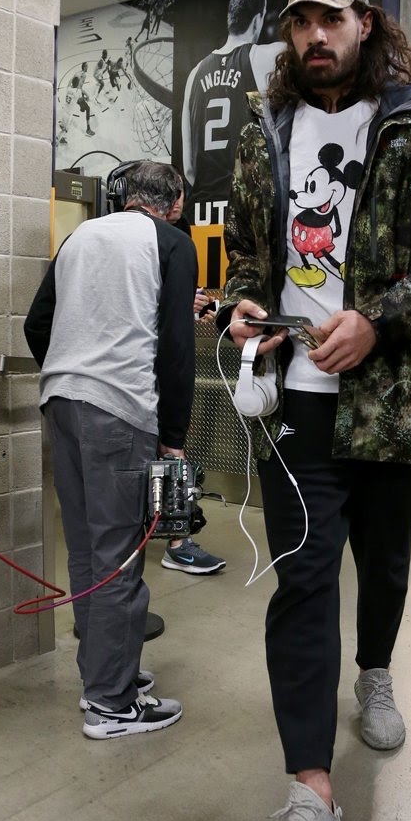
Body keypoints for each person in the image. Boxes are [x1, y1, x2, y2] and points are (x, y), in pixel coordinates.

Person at [217, 0, 411, 821]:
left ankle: (375, 671)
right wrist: (245, 303)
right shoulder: (265, 129)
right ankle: (312, 800)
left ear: (364, 23)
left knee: (385, 561)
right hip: (296, 397)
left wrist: (377, 319)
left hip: (394, 396)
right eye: (299, 23)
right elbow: (251, 253)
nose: (314, 37)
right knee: (302, 582)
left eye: (329, 20)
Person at [23, 161, 198, 740]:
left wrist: (73, 369)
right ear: (173, 204)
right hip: (120, 410)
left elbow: (36, 323)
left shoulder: (80, 236)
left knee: (85, 551)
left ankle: (100, 674)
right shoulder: (170, 243)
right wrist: (174, 436)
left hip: (61, 402)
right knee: (120, 555)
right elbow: (177, 347)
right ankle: (113, 704)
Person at [159, 175, 227, 576]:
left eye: (181, 196)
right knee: (168, 453)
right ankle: (174, 542)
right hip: (141, 364)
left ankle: (177, 540)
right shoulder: (137, 237)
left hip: (172, 358)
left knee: (173, 451)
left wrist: (197, 302)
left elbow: (182, 292)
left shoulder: (181, 235)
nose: (177, 204)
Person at [181, 0, 284, 226]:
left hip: (201, 211)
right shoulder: (268, 56)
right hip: (246, 209)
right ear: (257, 19)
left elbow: (190, 168)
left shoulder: (195, 74)